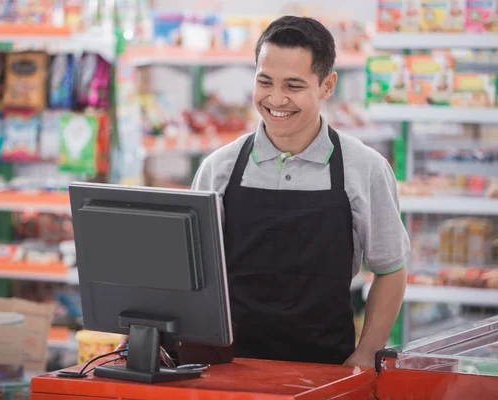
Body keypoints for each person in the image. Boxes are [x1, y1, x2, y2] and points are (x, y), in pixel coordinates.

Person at [119, 15, 409, 368]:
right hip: (224, 368)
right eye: (265, 82)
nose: (276, 99)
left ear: (327, 85)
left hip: (323, 370)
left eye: (294, 86)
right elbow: (186, 273)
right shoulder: (219, 169)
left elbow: (390, 268)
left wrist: (366, 353)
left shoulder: (364, 169)